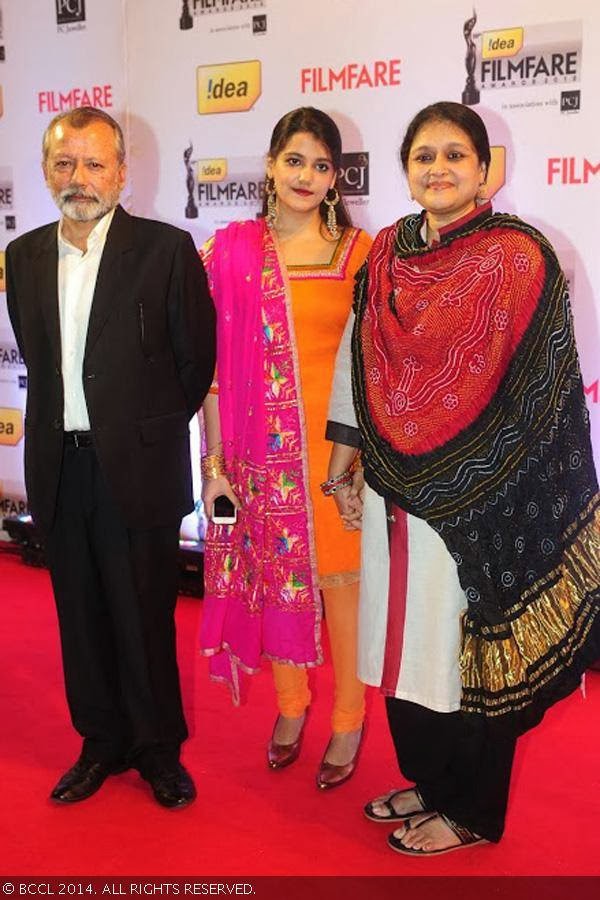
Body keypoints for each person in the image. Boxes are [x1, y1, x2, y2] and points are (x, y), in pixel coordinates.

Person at [328, 101, 600, 853]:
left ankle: (472, 808)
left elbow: (542, 390)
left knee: (465, 649)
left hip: (482, 502)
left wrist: (489, 476)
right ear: (406, 168)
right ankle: (429, 777)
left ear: (484, 169)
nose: (438, 168)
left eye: (455, 154)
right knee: (401, 645)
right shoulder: (386, 252)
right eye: (423, 155)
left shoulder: (517, 256)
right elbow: (360, 360)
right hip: (391, 491)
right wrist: (343, 464)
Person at [6, 107, 216, 808]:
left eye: (95, 164)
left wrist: (141, 429)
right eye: (65, 164)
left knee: (146, 615)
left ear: (123, 173)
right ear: (44, 172)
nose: (80, 178)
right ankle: (99, 741)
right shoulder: (23, 256)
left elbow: (195, 364)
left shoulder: (165, 250)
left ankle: (157, 748)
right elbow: (41, 359)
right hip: (58, 469)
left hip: (139, 467)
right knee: (81, 613)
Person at [199, 107, 371, 788]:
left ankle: (349, 720)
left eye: (321, 164)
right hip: (257, 459)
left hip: (339, 460)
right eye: (294, 160)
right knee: (276, 583)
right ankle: (292, 706)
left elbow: (377, 364)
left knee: (342, 589)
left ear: (336, 179)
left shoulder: (360, 255)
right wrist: (214, 467)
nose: (306, 175)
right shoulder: (228, 253)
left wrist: (360, 457)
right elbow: (211, 371)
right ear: (270, 166)